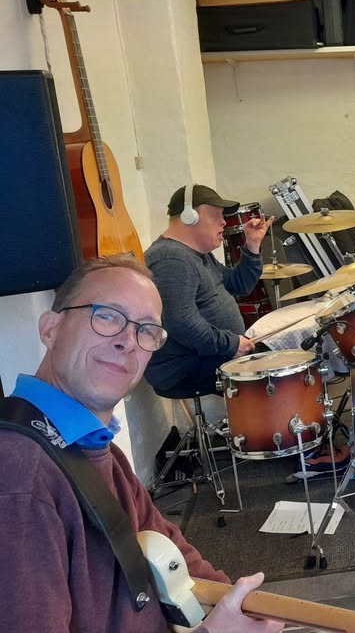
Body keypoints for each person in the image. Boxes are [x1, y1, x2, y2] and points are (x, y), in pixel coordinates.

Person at [0, 256, 282, 632]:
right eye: (107, 316)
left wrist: (243, 604)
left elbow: (178, 556)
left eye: (147, 330)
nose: (128, 342)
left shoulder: (96, 449)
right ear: (50, 329)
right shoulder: (19, 475)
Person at [145, 184, 273, 395]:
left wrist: (252, 245)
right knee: (272, 378)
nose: (224, 222)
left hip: (209, 354)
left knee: (278, 356)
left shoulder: (196, 255)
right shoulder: (171, 259)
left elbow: (239, 284)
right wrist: (231, 344)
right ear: (189, 216)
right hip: (183, 367)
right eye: (216, 215)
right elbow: (181, 322)